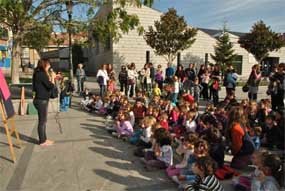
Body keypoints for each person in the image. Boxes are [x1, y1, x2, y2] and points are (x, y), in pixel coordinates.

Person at [32, 58, 56, 146]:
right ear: (44, 64)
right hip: (41, 100)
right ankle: (42, 141)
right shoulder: (41, 74)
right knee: (42, 121)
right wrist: (53, 78)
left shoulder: (38, 73)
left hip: (40, 99)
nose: (50, 66)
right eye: (48, 64)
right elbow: (50, 86)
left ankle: (44, 139)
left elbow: (37, 86)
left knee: (43, 120)